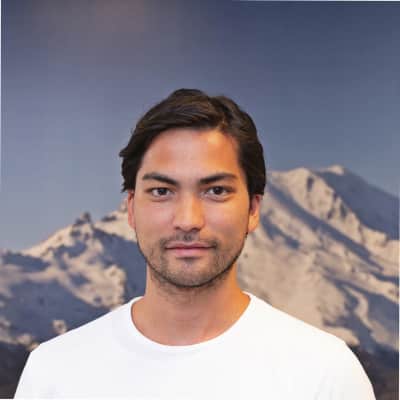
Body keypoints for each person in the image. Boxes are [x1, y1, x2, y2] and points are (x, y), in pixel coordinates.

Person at [14, 89, 375, 399]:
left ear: (253, 209)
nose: (188, 219)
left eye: (216, 190)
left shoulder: (325, 373)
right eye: (162, 191)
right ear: (131, 208)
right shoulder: (53, 372)